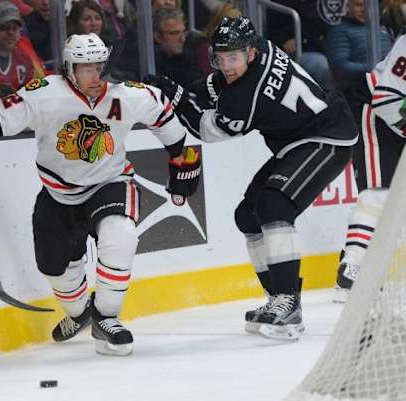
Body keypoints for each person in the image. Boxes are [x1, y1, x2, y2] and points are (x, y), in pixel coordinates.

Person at [0, 33, 201, 356]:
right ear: (69, 68)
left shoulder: (126, 96)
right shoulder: (46, 94)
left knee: (120, 234)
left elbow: (164, 115)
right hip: (57, 193)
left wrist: (180, 159)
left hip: (110, 182)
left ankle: (106, 318)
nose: (95, 75)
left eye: (99, 66)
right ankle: (81, 312)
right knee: (55, 268)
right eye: (86, 68)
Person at [145, 16, 357, 340]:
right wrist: (183, 94)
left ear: (250, 53)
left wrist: (175, 98)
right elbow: (217, 86)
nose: (227, 65)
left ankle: (288, 304)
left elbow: (205, 128)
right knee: (248, 215)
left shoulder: (247, 97)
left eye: (234, 58)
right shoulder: (263, 50)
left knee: (274, 206)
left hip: (328, 137)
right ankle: (278, 299)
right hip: (300, 139)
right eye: (221, 58)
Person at [335, 34, 406, 300]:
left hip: (396, 116)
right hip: (376, 111)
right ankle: (354, 266)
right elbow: (386, 99)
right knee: (379, 190)